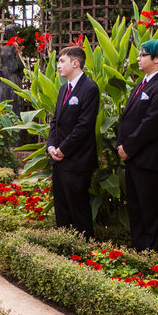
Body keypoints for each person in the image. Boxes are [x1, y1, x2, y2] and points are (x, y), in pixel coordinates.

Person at [116, 39, 158, 252]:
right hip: (134, 158)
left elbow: (152, 123)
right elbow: (127, 119)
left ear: (157, 58)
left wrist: (128, 147)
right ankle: (139, 250)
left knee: (151, 210)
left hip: (150, 159)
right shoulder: (142, 83)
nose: (138, 58)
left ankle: (153, 254)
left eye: (143, 55)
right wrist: (120, 144)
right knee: (136, 208)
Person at [47, 44, 100, 238]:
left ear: (75, 63)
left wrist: (63, 149)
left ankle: (83, 250)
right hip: (59, 160)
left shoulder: (90, 88)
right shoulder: (63, 89)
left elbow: (84, 126)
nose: (58, 66)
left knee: (79, 210)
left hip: (78, 161)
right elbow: (55, 121)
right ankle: (64, 248)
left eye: (62, 61)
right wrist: (51, 146)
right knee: (62, 210)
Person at [0, 24, 25, 112]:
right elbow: (2, 63)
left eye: (9, 32)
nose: (7, 34)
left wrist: (17, 54)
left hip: (13, 78)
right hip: (4, 77)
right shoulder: (3, 48)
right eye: (6, 32)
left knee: (14, 102)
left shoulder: (17, 48)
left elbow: (22, 66)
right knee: (2, 100)